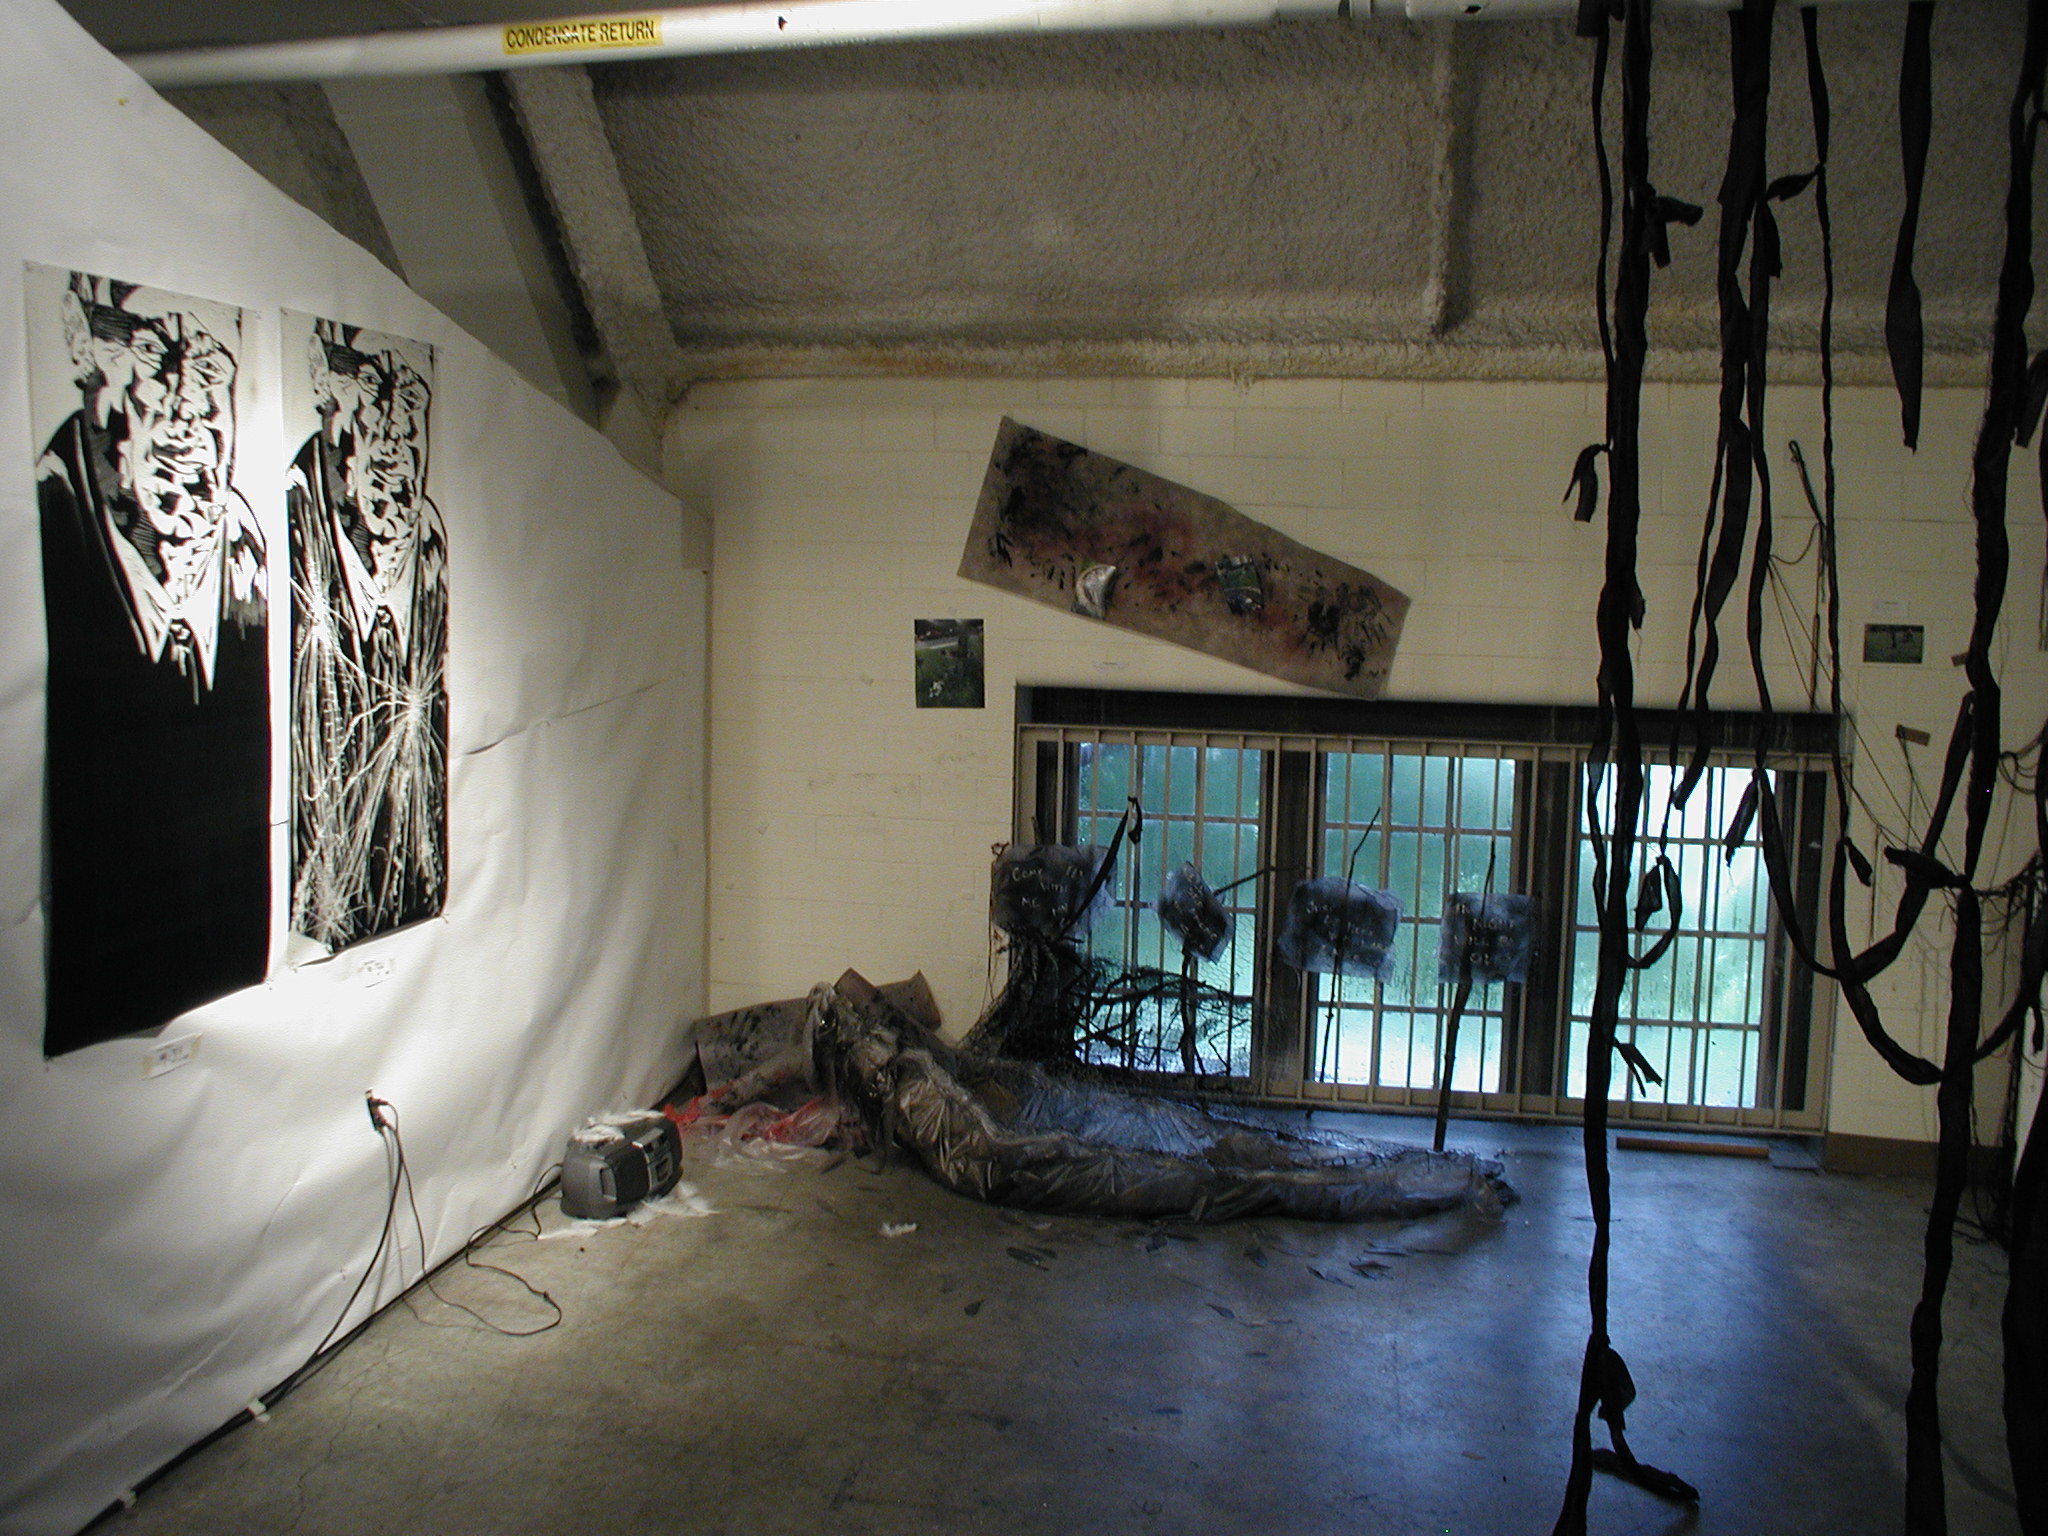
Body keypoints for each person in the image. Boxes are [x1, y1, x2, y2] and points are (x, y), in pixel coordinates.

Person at [36, 272, 270, 1056]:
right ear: (83, 345)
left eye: (208, 371)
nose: (184, 411)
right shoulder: (47, 523)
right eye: (150, 355)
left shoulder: (248, 555)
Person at [287, 320, 449, 951]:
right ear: (329, 397)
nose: (396, 436)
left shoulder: (429, 550)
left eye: (411, 405)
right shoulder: (290, 535)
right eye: (374, 396)